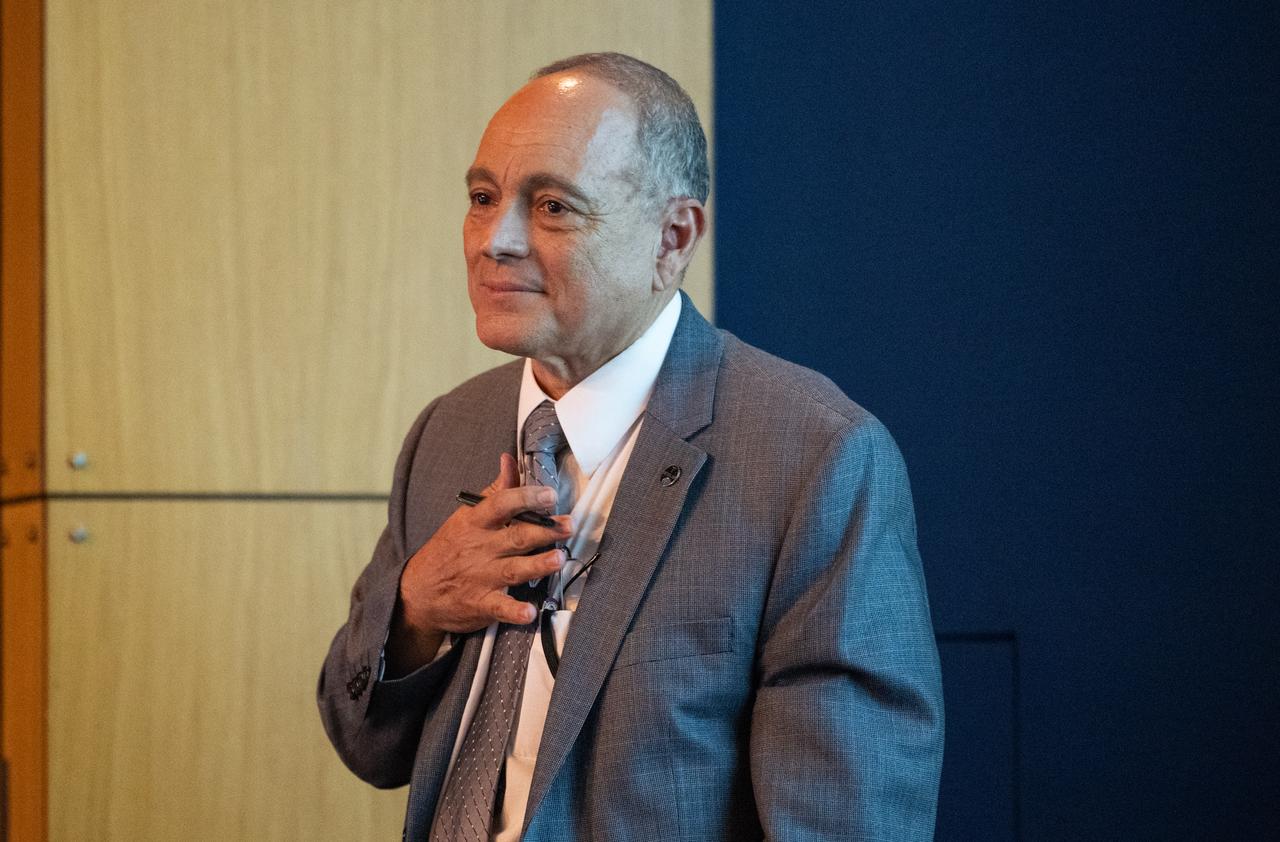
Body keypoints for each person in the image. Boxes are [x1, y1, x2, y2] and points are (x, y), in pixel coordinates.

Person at [319, 52, 943, 841]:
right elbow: (365, 744)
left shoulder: (816, 459)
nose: (494, 241)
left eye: (551, 207)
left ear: (671, 238)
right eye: (483, 198)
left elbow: (848, 822)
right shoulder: (447, 432)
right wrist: (413, 611)